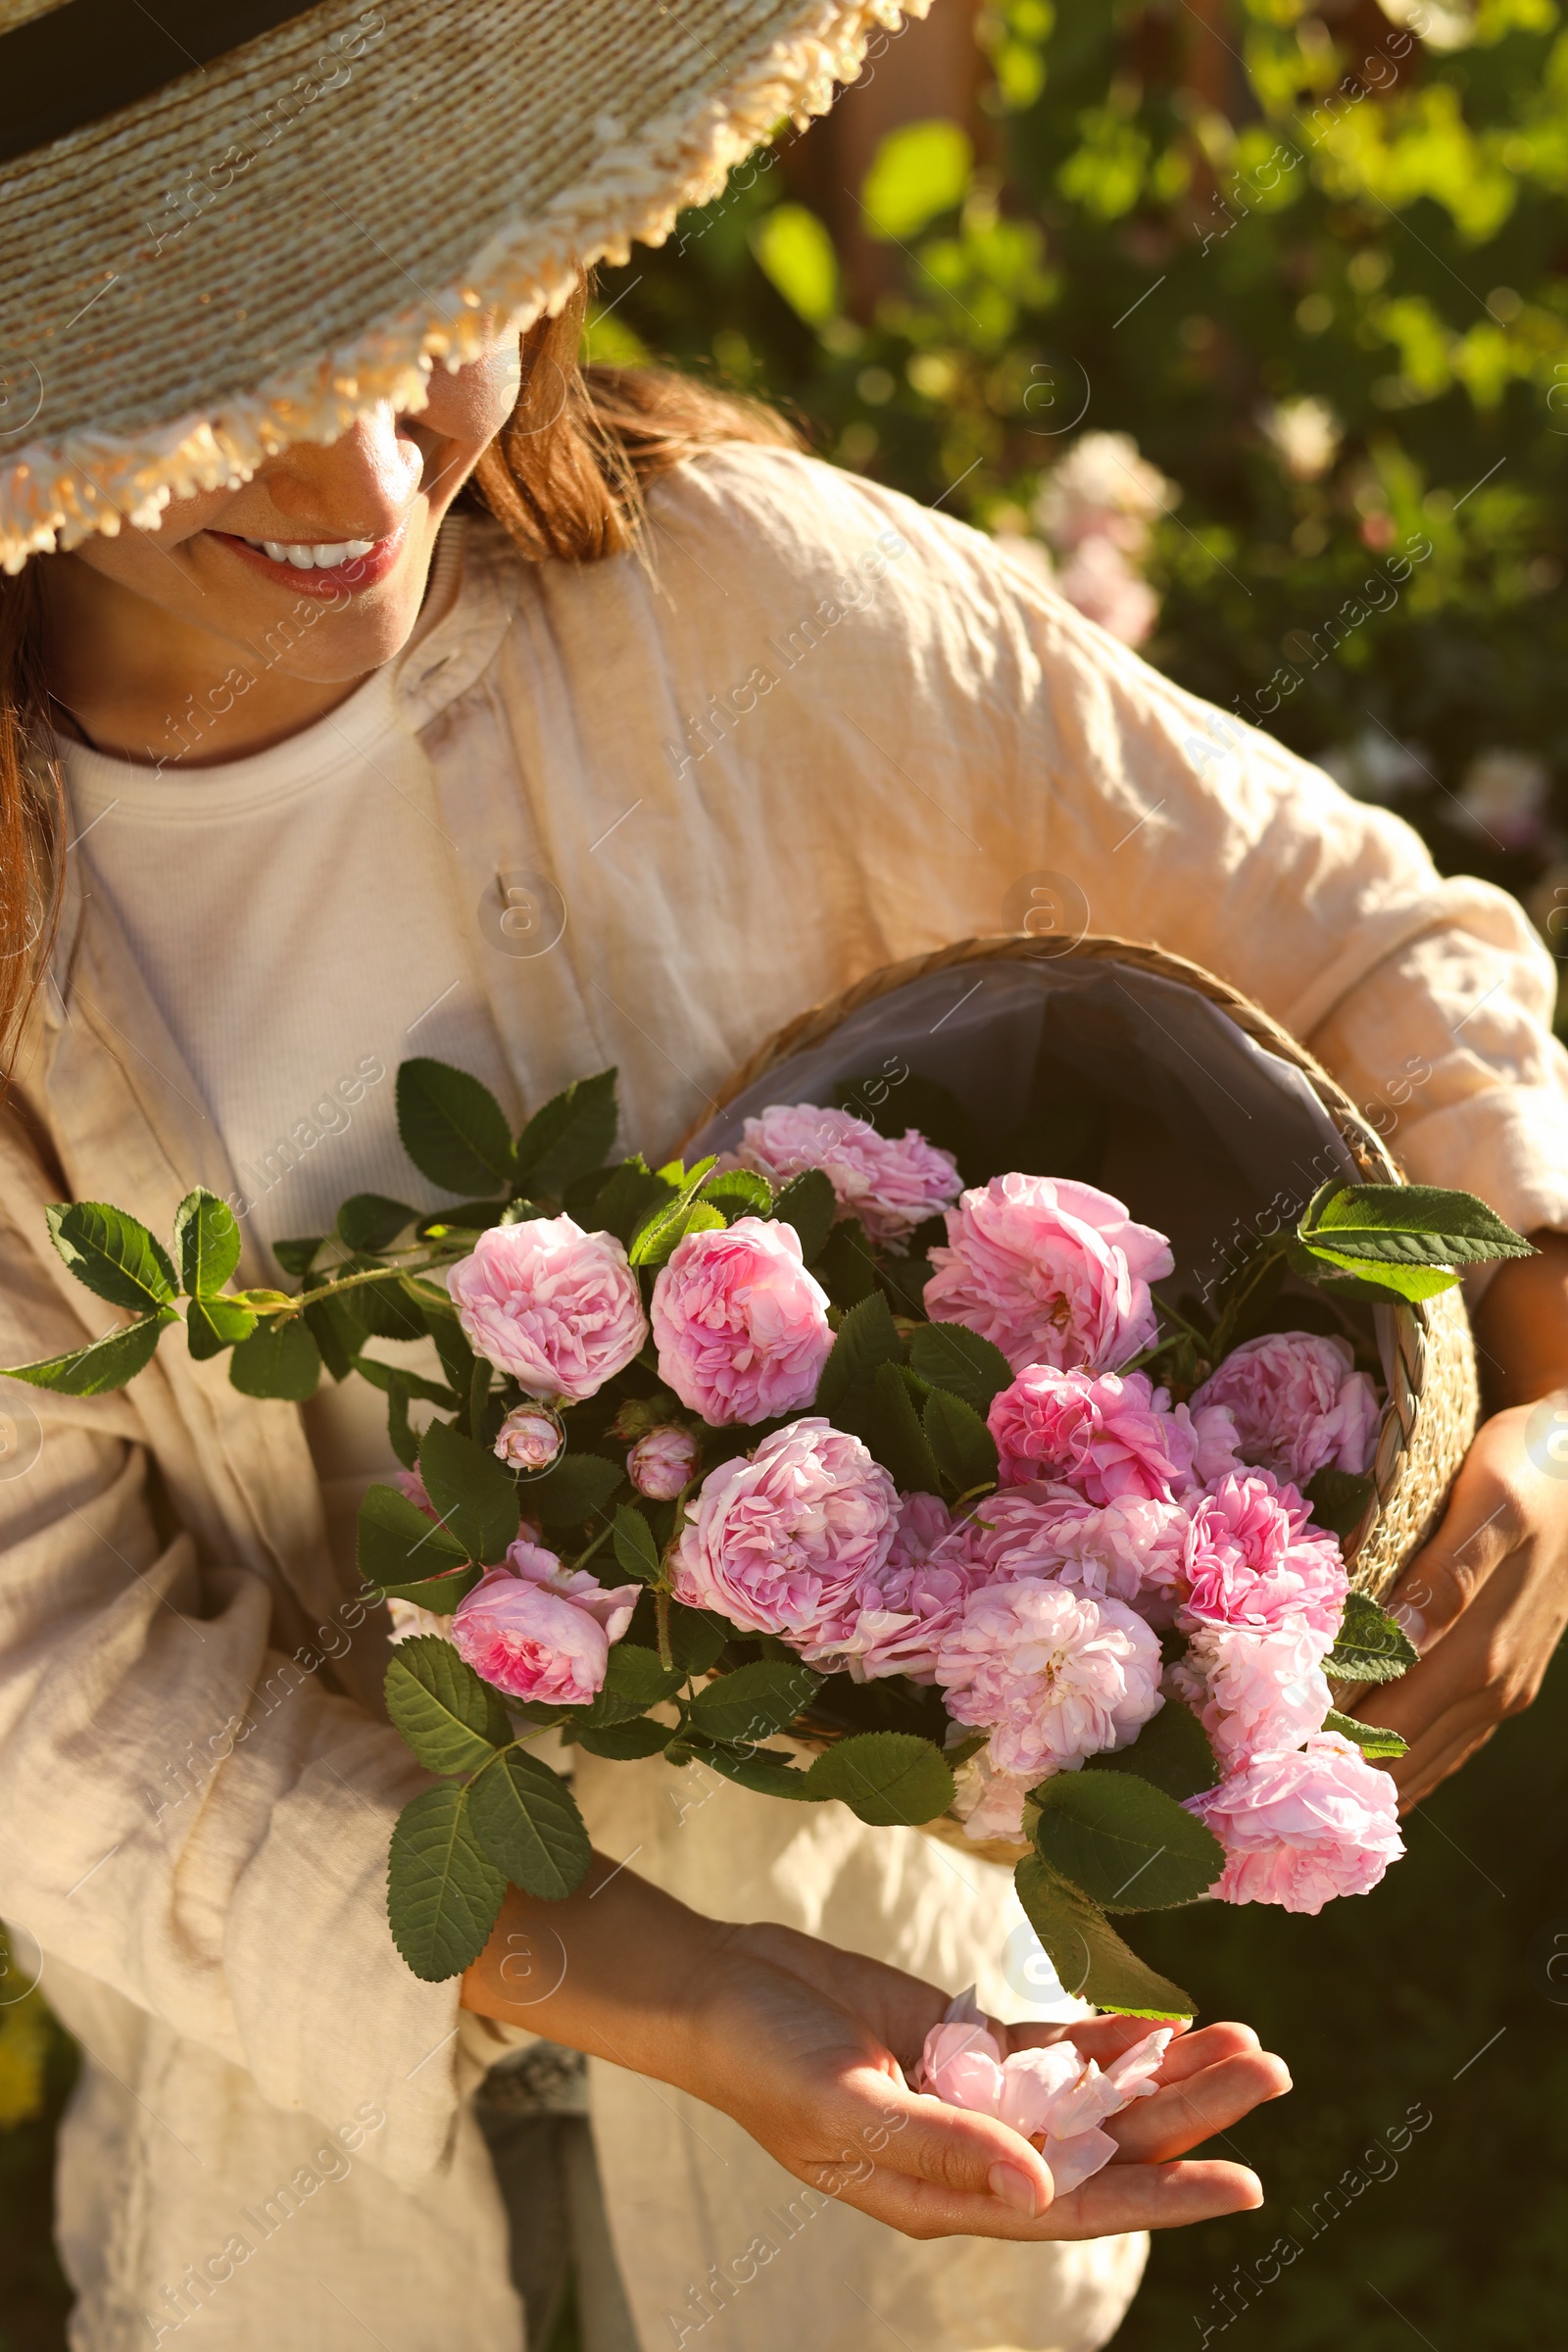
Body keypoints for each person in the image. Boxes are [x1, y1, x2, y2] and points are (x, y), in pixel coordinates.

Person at [0, 4, 1563, 2348]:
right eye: (210, 381)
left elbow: (1356, 931)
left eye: (405, 311)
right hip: (294, 2238)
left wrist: (1546, 1400)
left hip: (894, 2200)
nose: (359, 459)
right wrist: (675, 1989)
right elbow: (46, 1682)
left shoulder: (735, 602)